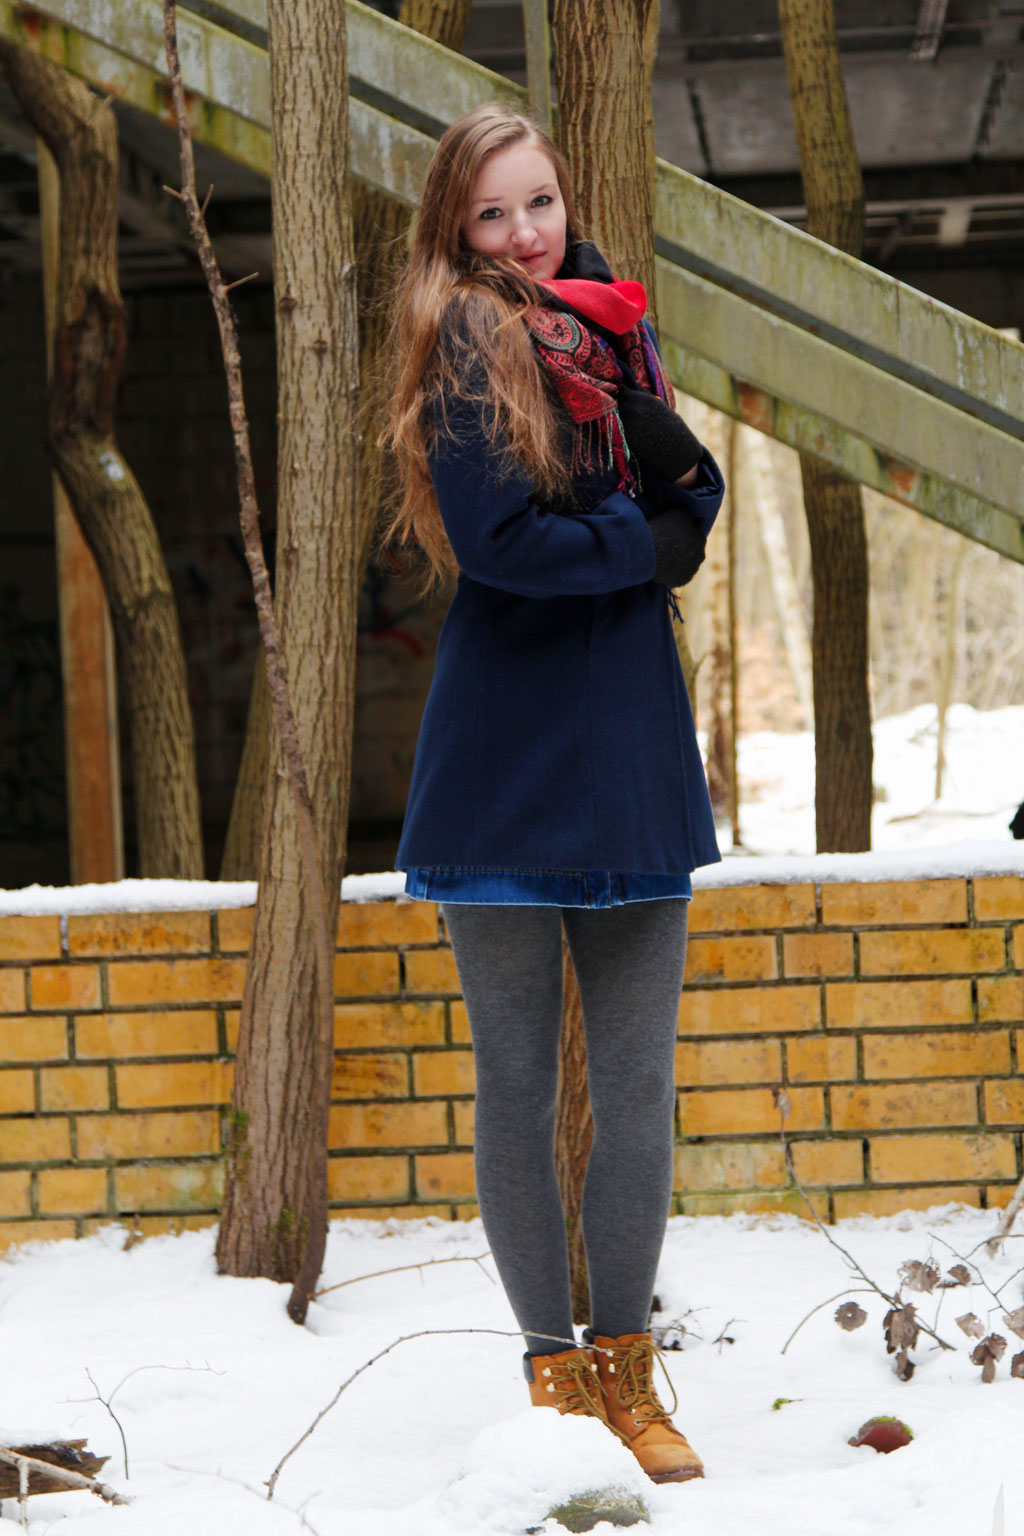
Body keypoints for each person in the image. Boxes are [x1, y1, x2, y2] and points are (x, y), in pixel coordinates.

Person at [381, 103, 725, 1484]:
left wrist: (645, 534)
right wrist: (641, 539)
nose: (526, 233)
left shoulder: (613, 329)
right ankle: (556, 1379)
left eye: (541, 203)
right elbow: (503, 545)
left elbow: (693, 505)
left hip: (631, 750)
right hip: (510, 763)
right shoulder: (468, 335)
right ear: (454, 231)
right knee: (519, 1084)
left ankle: (630, 1371)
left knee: (635, 1089)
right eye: (493, 213)